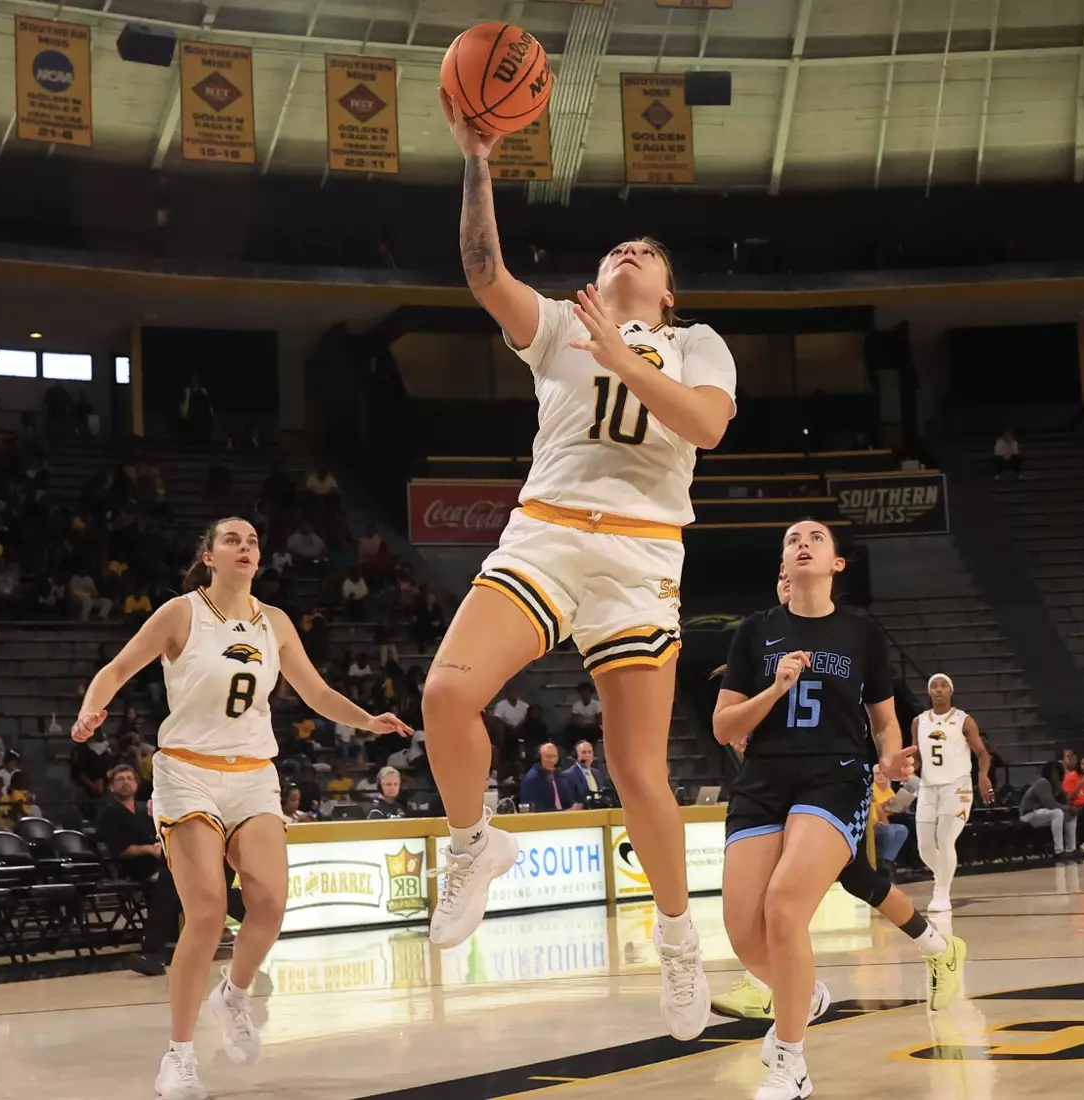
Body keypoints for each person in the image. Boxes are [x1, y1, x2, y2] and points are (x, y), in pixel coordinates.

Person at [422, 86, 738, 1040]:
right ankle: (475, 845)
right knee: (445, 694)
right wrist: (477, 159)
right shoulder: (559, 327)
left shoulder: (695, 344)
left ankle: (679, 946)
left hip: (643, 556)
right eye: (617, 251)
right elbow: (483, 271)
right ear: (598, 280)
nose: (629, 253)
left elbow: (707, 427)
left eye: (647, 254)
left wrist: (627, 356)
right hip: (549, 533)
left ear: (668, 293)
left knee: (643, 772)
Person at [70, 517, 411, 1100]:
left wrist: (367, 719)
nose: (245, 547)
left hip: (254, 777)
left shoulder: (273, 623)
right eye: (232, 540)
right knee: (204, 914)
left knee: (272, 904)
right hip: (188, 774)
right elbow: (119, 667)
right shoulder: (182, 613)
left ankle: (233, 993)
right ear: (209, 556)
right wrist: (90, 709)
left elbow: (317, 693)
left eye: (253, 540)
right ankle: (178, 1058)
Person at [711, 521, 964, 1100]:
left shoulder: (861, 632)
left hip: (835, 776)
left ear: (836, 565)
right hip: (762, 779)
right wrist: (773, 690)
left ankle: (792, 1063)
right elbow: (724, 727)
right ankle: (804, 994)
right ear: (782, 563)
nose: (803, 543)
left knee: (783, 908)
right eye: (792, 538)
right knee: (743, 933)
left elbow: (883, 719)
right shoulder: (754, 633)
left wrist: (888, 760)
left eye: (816, 538)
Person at [911, 673, 993, 912]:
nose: (938, 690)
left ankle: (941, 893)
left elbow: (983, 753)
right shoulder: (919, 721)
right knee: (925, 848)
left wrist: (983, 775)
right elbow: (917, 757)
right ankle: (944, 875)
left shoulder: (963, 720)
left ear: (951, 691)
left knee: (946, 840)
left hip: (957, 787)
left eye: (943, 686)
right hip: (928, 786)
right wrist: (907, 768)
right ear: (928, 692)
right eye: (934, 686)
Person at [98, 763, 182, 977]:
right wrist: (147, 849)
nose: (126, 782)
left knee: (188, 878)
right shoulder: (111, 813)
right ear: (111, 787)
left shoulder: (146, 810)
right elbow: (119, 850)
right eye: (120, 779)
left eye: (129, 778)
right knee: (175, 883)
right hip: (134, 868)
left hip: (161, 864)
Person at [1020, 762, 1081, 859]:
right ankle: (1059, 851)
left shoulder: (1055, 786)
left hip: (1042, 814)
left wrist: (1063, 793)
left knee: (1072, 815)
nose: (1057, 775)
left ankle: (1071, 849)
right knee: (1058, 813)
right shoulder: (1042, 782)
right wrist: (1068, 808)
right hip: (1028, 814)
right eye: (1055, 772)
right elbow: (1050, 804)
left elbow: (1065, 803)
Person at [560, 739, 610, 806]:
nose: (587, 755)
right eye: (583, 752)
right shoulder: (569, 775)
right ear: (576, 755)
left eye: (590, 752)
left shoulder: (597, 773)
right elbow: (569, 802)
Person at [519, 742, 566, 811]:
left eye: (554, 756)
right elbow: (539, 813)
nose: (551, 760)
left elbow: (567, 802)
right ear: (539, 759)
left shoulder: (557, 774)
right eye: (548, 757)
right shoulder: (532, 780)